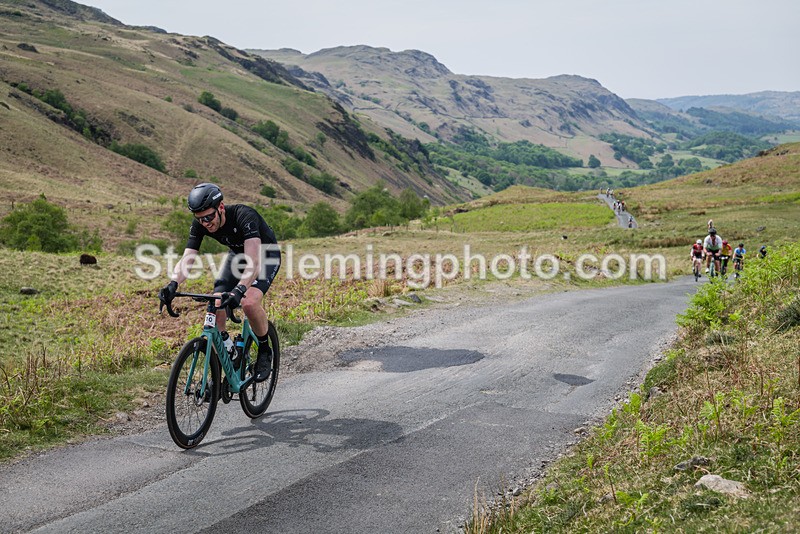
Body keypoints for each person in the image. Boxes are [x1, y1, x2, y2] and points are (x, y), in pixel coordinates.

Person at [159, 183, 281, 382]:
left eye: (208, 217)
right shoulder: (201, 224)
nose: (205, 223)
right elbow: (188, 258)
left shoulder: (244, 216)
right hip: (237, 256)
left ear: (221, 208)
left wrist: (240, 289)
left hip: (263, 256)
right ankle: (228, 349)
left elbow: (253, 261)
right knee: (216, 303)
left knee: (248, 301)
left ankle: (265, 351)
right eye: (200, 219)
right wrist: (173, 284)